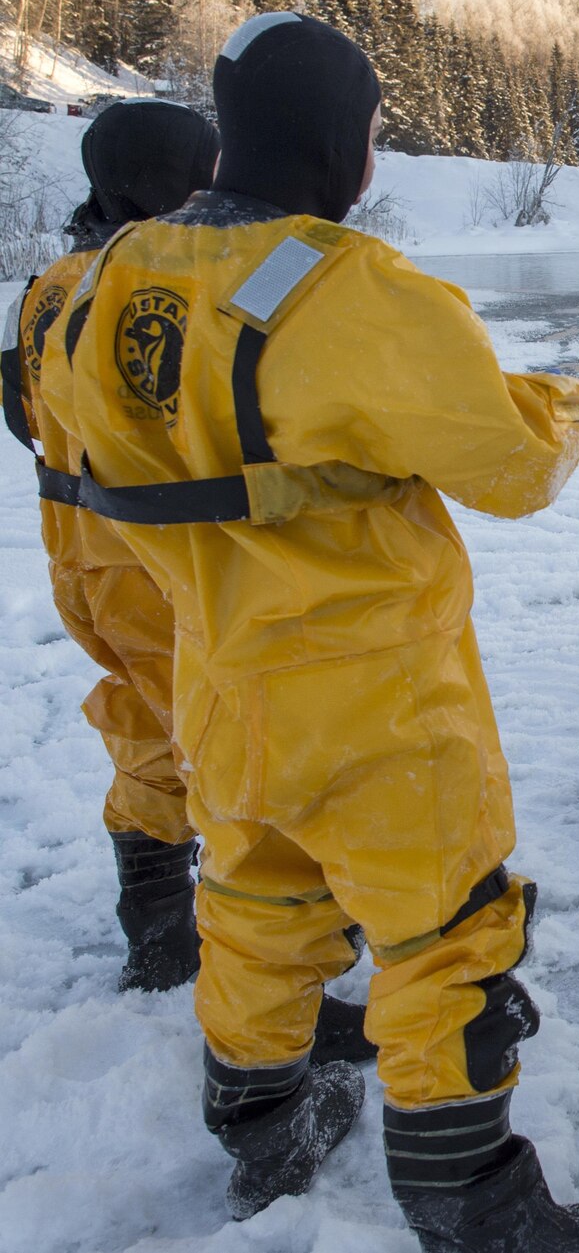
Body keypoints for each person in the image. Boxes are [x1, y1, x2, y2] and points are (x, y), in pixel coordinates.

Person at [36, 12, 579, 1251]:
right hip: (377, 700)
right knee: (448, 929)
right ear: (341, 141)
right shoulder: (351, 290)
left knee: (260, 903)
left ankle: (264, 1127)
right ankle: (472, 1202)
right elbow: (498, 459)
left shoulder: (110, 280)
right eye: (373, 131)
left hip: (221, 678)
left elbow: (81, 439)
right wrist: (571, 409)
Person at [4, 102, 374, 1068]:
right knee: (238, 763)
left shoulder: (49, 287)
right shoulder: (152, 280)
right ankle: (263, 999)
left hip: (80, 561)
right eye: (198, 172)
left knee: (149, 732)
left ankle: (160, 933)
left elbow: (22, 412)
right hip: (161, 567)